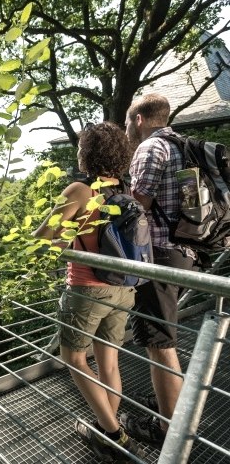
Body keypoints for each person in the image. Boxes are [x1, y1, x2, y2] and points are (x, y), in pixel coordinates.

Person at [33, 122, 144, 462]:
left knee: (74, 358)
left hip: (86, 288)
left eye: (81, 147)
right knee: (108, 362)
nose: (78, 152)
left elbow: (41, 238)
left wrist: (64, 239)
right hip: (123, 289)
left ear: (90, 153)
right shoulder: (121, 187)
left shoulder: (80, 190)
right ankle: (106, 429)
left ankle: (114, 436)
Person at [120, 93, 195, 444]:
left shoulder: (151, 148)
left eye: (126, 125)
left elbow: (137, 205)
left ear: (138, 120)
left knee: (159, 343)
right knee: (162, 336)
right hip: (186, 250)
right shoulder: (183, 144)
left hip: (160, 255)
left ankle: (169, 430)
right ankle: (172, 407)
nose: (125, 133)